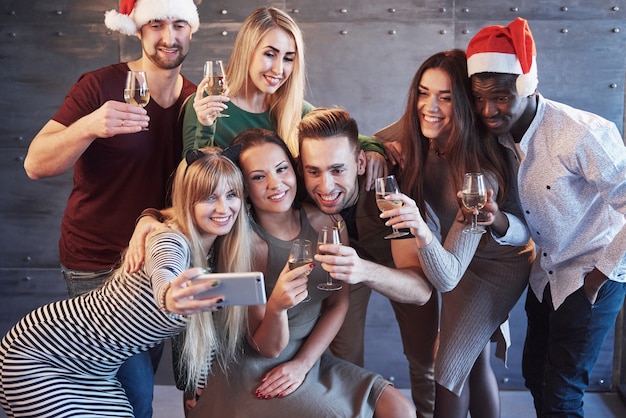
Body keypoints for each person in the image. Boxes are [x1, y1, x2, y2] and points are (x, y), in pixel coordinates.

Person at [21, 0, 199, 415]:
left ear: (191, 30)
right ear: (138, 31)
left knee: (145, 381)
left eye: (177, 24)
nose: (168, 37)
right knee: (134, 399)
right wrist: (89, 126)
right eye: (155, 24)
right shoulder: (99, 86)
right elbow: (35, 164)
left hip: (157, 265)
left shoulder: (197, 102)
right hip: (96, 265)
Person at [0, 148, 251, 417]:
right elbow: (163, 270)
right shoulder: (169, 238)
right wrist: (168, 296)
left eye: (231, 194)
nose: (224, 208)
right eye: (209, 197)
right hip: (42, 353)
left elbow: (204, 334)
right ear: (188, 201)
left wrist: (200, 388)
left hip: (97, 371)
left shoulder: (215, 256)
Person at [187, 128, 415, 417]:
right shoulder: (243, 245)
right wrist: (277, 308)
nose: (275, 184)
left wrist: (304, 363)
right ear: (243, 186)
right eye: (258, 177)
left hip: (311, 357)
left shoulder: (328, 224)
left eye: (281, 169)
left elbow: (337, 303)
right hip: (255, 368)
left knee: (401, 409)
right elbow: (264, 347)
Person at [466, 17, 626, 417]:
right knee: (534, 375)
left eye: (501, 97)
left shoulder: (580, 133)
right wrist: (496, 220)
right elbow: (528, 225)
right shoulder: (496, 142)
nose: (489, 109)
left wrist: (594, 283)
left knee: (562, 394)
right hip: (545, 277)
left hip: (594, 274)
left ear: (526, 86)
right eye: (480, 98)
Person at [374, 50, 534, 418]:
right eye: (423, 92)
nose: (429, 106)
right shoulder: (421, 132)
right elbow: (368, 139)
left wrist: (418, 228)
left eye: (445, 97)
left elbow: (446, 279)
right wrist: (373, 152)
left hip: (494, 267)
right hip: (455, 254)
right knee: (473, 362)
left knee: (447, 374)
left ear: (462, 104)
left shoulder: (477, 177)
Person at [297, 107, 435, 417]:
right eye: (313, 171)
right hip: (345, 271)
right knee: (344, 357)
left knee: (426, 360)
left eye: (337, 169)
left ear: (360, 163)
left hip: (395, 266)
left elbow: (421, 290)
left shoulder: (390, 189)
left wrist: (363, 269)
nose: (326, 186)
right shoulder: (292, 187)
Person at [183, 6, 386, 188]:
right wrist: (205, 124)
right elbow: (193, 180)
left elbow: (344, 138)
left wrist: (374, 150)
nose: (279, 69)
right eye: (270, 55)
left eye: (288, 58)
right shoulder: (207, 105)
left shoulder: (294, 109)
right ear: (247, 52)